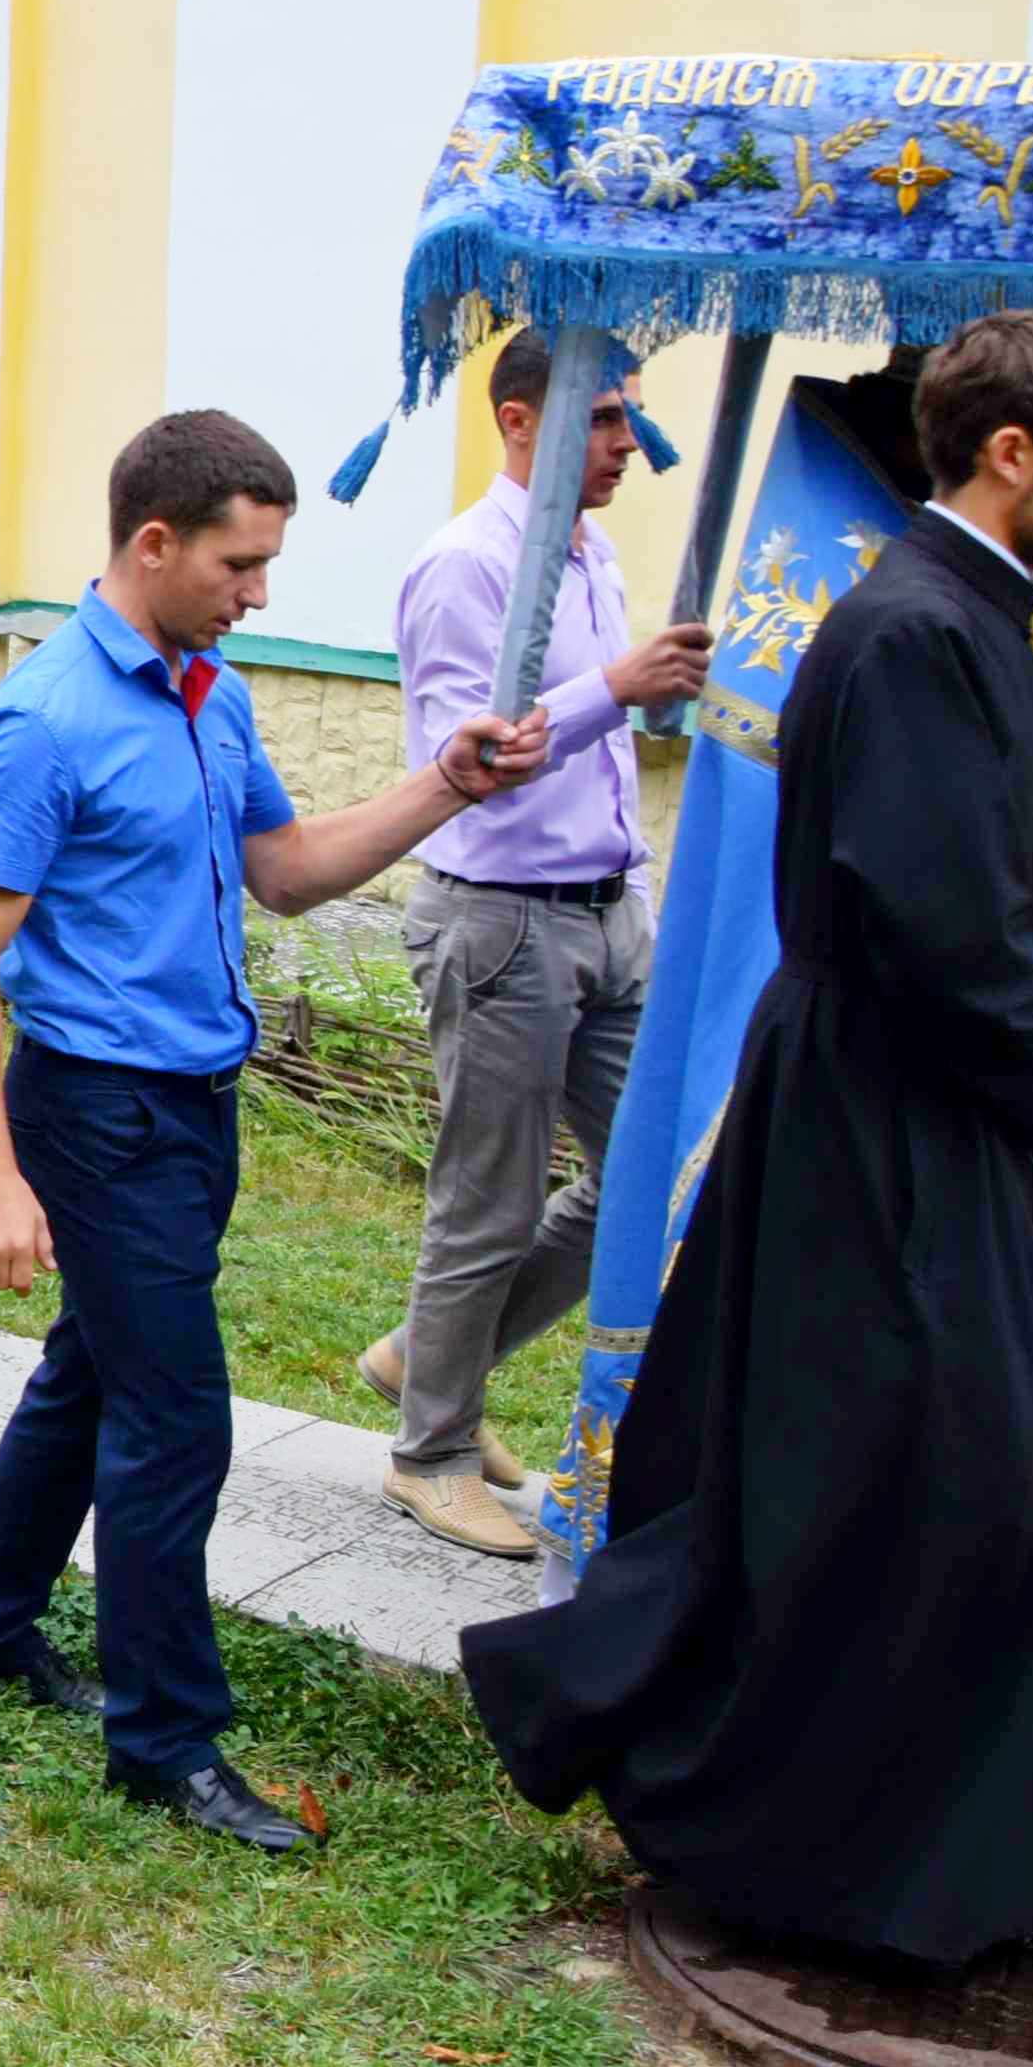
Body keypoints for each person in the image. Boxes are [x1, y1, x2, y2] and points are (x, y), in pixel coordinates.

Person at [465, 312, 1033, 1966]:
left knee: (925, 1478)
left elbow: (974, 851)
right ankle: (810, 1847)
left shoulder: (968, 613)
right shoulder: (917, 630)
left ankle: (905, 1847)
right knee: (943, 1475)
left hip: (903, 1098)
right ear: (1013, 454)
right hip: (882, 1113)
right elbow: (927, 922)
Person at [0, 410, 549, 1854]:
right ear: (154, 543)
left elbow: (288, 870)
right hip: (96, 1113)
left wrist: (445, 782)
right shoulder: (45, 717)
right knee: (175, 1421)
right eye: (238, 565)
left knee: (93, 1372)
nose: (258, 593)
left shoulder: (213, 693)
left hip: (196, 1103)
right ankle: (164, 1745)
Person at [365, 329, 716, 1555]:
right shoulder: (463, 565)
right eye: (603, 419)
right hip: (502, 920)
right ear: (518, 420)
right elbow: (461, 754)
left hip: (607, 912)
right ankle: (430, 1453)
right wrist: (611, 688)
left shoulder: (587, 552)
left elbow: (600, 750)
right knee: (489, 1203)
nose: (627, 444)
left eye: (630, 418)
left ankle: (425, 1360)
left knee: (648, 1175)